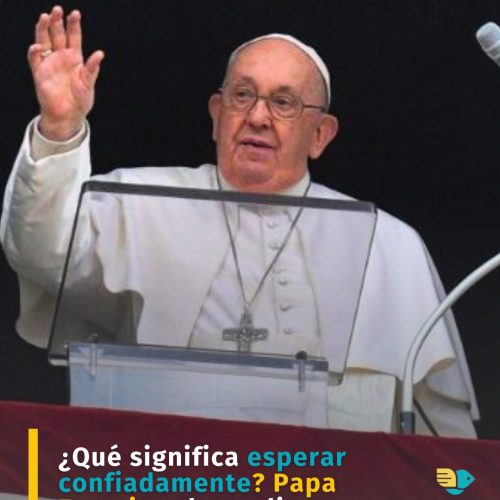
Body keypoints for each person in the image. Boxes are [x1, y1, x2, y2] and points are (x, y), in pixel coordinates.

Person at [1, 6, 478, 436]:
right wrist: (59, 129)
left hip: (331, 480)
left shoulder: (387, 243)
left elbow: (441, 429)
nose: (258, 117)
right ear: (216, 115)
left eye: (284, 102)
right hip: (172, 472)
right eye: (243, 95)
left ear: (321, 134)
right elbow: (42, 251)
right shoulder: (137, 201)